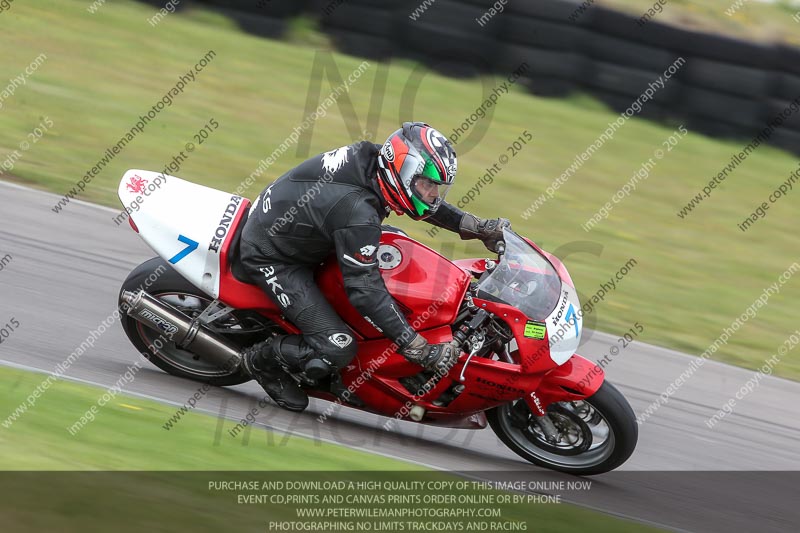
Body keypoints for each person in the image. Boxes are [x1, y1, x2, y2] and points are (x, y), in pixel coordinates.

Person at [238, 122, 510, 412]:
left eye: (436, 187)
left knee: (399, 245)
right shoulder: (358, 213)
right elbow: (364, 290)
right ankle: (260, 362)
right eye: (427, 184)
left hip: (303, 230)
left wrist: (477, 228)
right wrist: (415, 345)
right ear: (403, 171)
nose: (432, 193)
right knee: (338, 346)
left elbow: (417, 199)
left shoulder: (373, 160)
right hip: (275, 257)